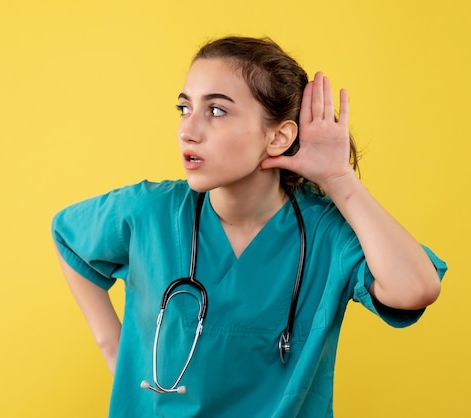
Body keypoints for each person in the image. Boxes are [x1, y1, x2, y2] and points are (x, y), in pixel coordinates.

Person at [51, 36, 447, 417]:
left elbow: (416, 289)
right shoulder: (149, 213)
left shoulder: (325, 234)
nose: (189, 129)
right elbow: (68, 234)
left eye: (217, 111)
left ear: (278, 137)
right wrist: (112, 348)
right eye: (184, 108)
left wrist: (339, 179)